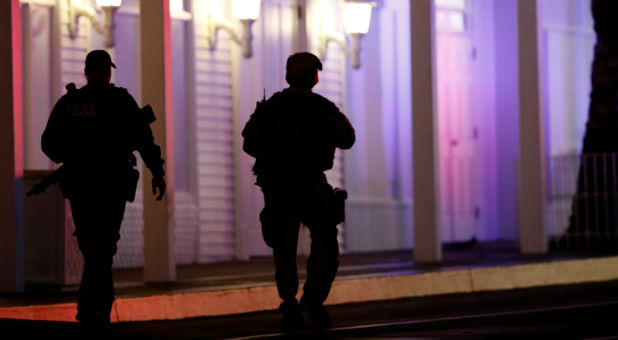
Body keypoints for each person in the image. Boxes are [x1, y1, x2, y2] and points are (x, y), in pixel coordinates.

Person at [41, 50, 166, 329]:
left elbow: (49, 143)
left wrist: (74, 154)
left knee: (92, 247)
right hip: (111, 184)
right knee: (103, 247)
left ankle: (91, 310)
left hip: (81, 184)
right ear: (108, 72)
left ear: (86, 72)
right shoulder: (120, 100)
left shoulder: (70, 103)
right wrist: (157, 172)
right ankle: (96, 310)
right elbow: (145, 140)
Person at [242, 52, 355, 329]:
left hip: (278, 185)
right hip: (310, 182)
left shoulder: (270, 107)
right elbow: (347, 139)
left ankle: (289, 300)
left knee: (284, 246)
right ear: (314, 76)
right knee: (325, 240)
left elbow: (249, 143)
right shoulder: (322, 107)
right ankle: (313, 299)